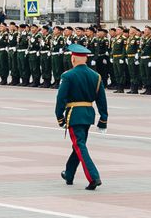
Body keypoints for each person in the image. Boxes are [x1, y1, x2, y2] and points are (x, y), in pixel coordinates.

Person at [55, 43, 108, 191]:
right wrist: (103, 119)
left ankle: (93, 177)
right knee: (78, 145)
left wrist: (59, 117)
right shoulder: (96, 76)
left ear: (73, 59)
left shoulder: (68, 75)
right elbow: (102, 100)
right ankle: (69, 173)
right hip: (88, 114)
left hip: (74, 114)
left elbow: (61, 99)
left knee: (79, 145)